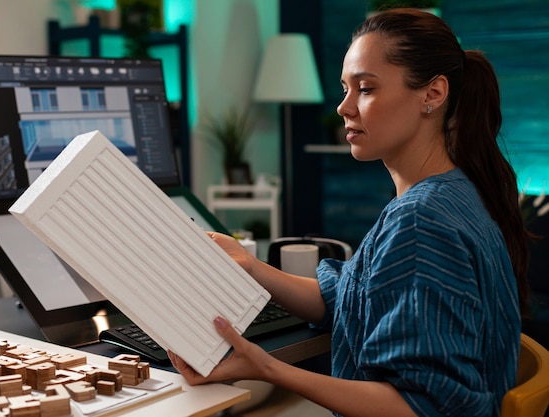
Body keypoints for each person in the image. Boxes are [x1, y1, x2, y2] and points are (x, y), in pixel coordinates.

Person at [168, 8, 530, 417]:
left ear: (433, 94)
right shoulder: (456, 192)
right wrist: (250, 266)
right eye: (345, 88)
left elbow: (421, 406)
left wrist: (266, 367)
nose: (344, 107)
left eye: (366, 89)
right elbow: (354, 298)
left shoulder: (421, 219)